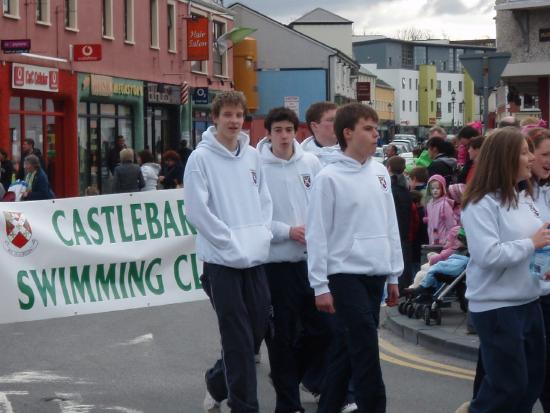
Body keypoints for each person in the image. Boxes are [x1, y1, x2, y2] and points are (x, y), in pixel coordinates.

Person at [307, 103, 402, 413]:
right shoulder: (328, 177)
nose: (376, 135)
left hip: (375, 273)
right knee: (365, 350)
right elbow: (317, 233)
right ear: (348, 133)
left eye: (376, 129)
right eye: (368, 129)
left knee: (347, 351)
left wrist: (393, 275)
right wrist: (319, 285)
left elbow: (389, 224)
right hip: (344, 274)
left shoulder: (379, 171)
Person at [184, 91, 272, 413]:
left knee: (257, 330)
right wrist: (228, 241)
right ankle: (244, 406)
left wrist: (261, 235)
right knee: (237, 339)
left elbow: (264, 199)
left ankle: (216, 383)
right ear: (215, 118)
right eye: (228, 115)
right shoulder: (200, 159)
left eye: (239, 115)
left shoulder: (252, 157)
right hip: (221, 261)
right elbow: (197, 211)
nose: (234, 121)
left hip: (254, 258)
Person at [458, 127, 550, 413]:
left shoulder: (524, 198)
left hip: (528, 301)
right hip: (497, 307)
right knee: (508, 386)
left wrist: (544, 266)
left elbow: (537, 246)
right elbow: (487, 255)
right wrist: (531, 244)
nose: (531, 158)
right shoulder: (481, 202)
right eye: (524, 152)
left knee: (532, 383)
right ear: (505, 158)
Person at [257, 106, 329, 413]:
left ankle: (289, 377)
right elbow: (256, 219)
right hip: (275, 267)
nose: (284, 137)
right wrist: (287, 231)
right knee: (281, 338)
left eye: (288, 130)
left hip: (310, 265)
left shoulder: (311, 163)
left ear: (296, 131)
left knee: (323, 331)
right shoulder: (257, 166)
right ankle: (287, 405)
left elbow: (323, 207)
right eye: (277, 131)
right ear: (268, 133)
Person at [527, 128, 550, 411]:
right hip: (522, 296)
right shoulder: (515, 196)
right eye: (545, 154)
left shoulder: (544, 192)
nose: (549, 161)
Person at [387, 155, 413, 290]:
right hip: (405, 227)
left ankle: (400, 285)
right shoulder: (406, 187)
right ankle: (405, 284)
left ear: (389, 167)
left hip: (396, 227)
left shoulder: (391, 188)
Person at [301, 101, 340, 166]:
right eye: (331, 120)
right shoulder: (301, 159)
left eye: (339, 119)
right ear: (314, 126)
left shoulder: (354, 154)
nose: (338, 123)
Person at [424, 174, 456, 245]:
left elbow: (451, 225)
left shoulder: (445, 205)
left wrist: (448, 241)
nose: (435, 191)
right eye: (432, 188)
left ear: (443, 189)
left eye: (438, 188)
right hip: (432, 242)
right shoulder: (429, 205)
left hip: (444, 243)